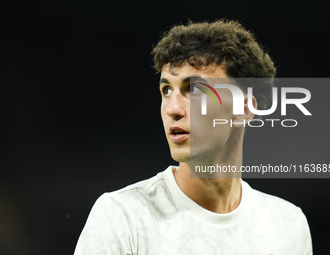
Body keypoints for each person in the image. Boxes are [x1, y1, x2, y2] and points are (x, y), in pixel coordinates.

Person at [74, 20, 312, 254]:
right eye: (167, 90)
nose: (172, 109)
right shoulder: (121, 217)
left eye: (194, 89)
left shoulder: (288, 226)